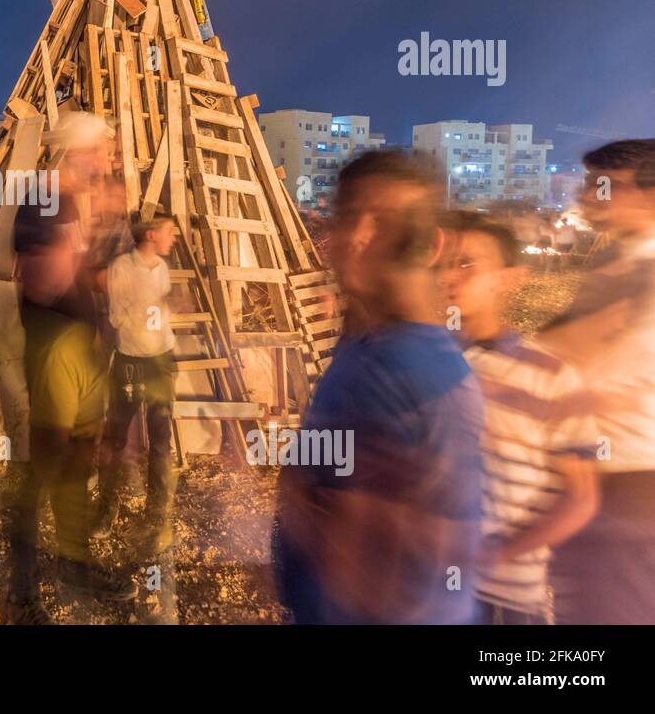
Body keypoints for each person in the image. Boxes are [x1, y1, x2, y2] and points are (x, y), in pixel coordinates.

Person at [273, 150, 484, 624]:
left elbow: (364, 573)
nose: (354, 238)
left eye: (382, 222)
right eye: (348, 217)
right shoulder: (409, 353)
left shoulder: (386, 372)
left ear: (430, 245)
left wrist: (294, 492)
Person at [439, 212, 599, 624]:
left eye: (467, 264)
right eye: (442, 263)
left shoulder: (550, 376)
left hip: (498, 600)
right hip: (421, 589)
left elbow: (580, 497)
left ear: (509, 278)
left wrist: (497, 554)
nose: (449, 276)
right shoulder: (425, 364)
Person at [538, 139, 655, 624]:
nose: (589, 195)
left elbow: (570, 359)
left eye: (606, 186)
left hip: (629, 483)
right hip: (597, 475)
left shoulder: (644, 274)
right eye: (589, 184)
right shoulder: (616, 261)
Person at [7, 201, 134, 624]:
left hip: (80, 357)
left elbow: (78, 272)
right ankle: (21, 596)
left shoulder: (73, 206)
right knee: (39, 476)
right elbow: (36, 278)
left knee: (76, 470)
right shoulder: (40, 209)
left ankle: (74, 568)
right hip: (55, 355)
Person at [93, 214, 178, 551]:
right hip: (129, 362)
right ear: (151, 235)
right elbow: (117, 316)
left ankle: (157, 515)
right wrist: (152, 307)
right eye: (169, 232)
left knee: (161, 441)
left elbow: (159, 316)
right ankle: (106, 510)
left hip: (161, 361)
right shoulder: (121, 267)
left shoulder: (162, 269)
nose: (173, 238)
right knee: (115, 439)